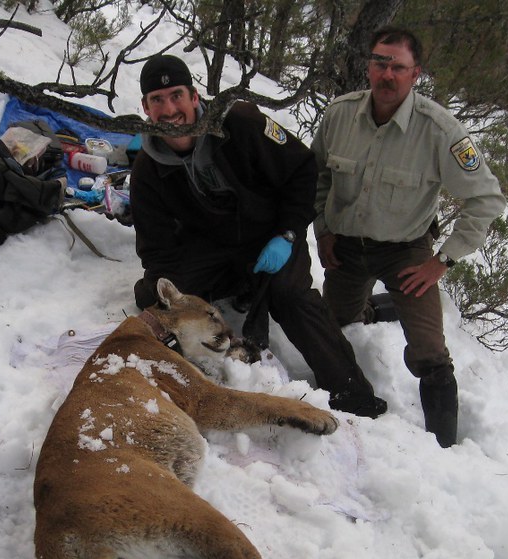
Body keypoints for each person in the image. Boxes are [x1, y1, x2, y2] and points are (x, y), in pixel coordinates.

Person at [129, 54, 386, 418]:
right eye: (158, 100)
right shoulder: (147, 169)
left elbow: (302, 170)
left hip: (271, 235)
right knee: (152, 291)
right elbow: (156, 249)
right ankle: (241, 294)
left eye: (176, 96)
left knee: (289, 296)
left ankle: (352, 393)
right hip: (215, 248)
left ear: (194, 96)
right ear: (145, 107)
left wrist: (287, 233)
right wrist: (177, 291)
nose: (169, 109)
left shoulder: (241, 124)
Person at [311, 27, 507, 447]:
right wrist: (323, 230)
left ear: (415, 73)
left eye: (397, 67)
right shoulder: (339, 115)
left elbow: (486, 199)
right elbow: (318, 176)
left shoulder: (438, 130)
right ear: (368, 65)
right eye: (379, 63)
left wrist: (442, 262)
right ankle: (377, 306)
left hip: (407, 253)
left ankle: (444, 446)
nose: (387, 75)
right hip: (345, 246)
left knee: (430, 354)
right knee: (333, 329)